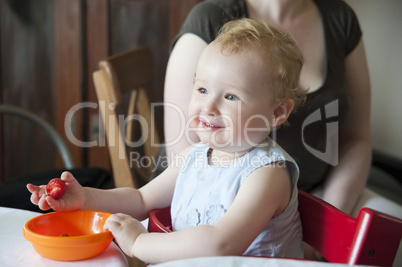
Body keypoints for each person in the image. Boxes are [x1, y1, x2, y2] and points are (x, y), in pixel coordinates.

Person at [27, 19, 306, 263]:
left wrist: (140, 243)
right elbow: (141, 198)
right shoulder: (197, 155)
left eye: (231, 96)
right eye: (202, 89)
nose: (208, 106)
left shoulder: (267, 174)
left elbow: (222, 243)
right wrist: (86, 198)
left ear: (277, 112)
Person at [164, 0, 402, 220]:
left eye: (230, 96)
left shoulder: (340, 18)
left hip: (319, 196)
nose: (211, 102)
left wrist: (327, 222)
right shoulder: (211, 18)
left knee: (391, 232)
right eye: (203, 90)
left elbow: (356, 138)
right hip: (213, 199)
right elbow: (190, 168)